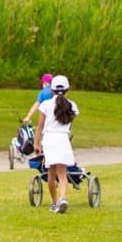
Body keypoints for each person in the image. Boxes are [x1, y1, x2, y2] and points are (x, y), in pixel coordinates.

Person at [34, 75, 79, 214]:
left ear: (51, 90)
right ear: (67, 89)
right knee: (63, 173)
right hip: (63, 139)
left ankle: (54, 203)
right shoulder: (71, 105)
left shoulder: (46, 105)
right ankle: (63, 198)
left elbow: (39, 127)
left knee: (51, 174)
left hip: (49, 139)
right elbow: (69, 125)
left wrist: (36, 144)